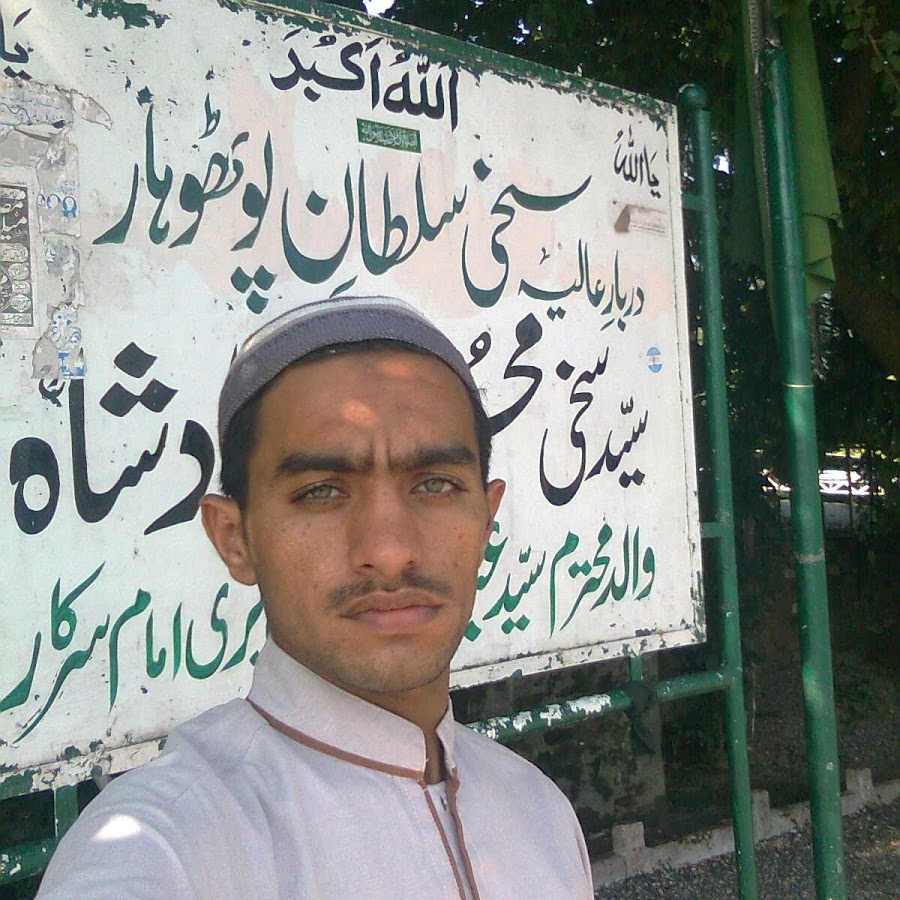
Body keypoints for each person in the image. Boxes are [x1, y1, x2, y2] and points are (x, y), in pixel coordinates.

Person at [38, 296, 593, 899]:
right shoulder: (165, 845)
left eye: (435, 484)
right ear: (234, 539)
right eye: (322, 491)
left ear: (486, 519)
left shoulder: (539, 812)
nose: (389, 551)